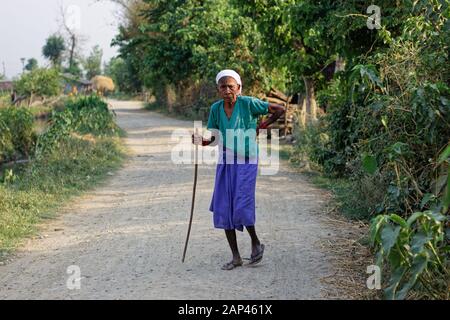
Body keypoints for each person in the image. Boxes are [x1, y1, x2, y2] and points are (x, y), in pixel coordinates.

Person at [192, 69, 285, 270]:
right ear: (218, 89)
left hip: (247, 160)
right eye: (223, 87)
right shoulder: (216, 109)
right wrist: (202, 141)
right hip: (226, 160)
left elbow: (279, 109)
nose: (227, 90)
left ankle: (255, 242)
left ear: (239, 88)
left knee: (242, 204)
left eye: (231, 86)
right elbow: (215, 137)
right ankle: (236, 257)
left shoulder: (248, 103)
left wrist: (263, 125)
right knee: (224, 206)